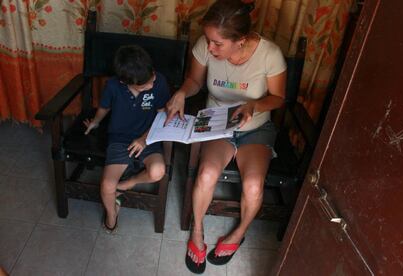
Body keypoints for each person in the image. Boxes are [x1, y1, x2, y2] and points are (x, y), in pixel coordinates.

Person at [165, 0, 287, 273]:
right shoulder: (205, 45)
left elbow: (278, 98)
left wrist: (254, 105)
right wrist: (183, 92)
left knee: (254, 185)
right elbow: (195, 81)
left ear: (240, 41)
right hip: (218, 123)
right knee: (206, 173)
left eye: (217, 44)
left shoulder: (270, 54)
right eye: (208, 40)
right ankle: (197, 233)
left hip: (256, 128)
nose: (210, 48)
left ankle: (238, 233)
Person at [84, 45, 170, 233]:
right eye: (144, 84)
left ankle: (125, 185)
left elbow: (163, 115)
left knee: (158, 171)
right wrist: (96, 122)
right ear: (125, 82)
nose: (151, 83)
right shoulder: (114, 86)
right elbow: (105, 107)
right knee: (107, 185)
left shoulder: (159, 81)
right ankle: (112, 214)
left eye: (152, 76)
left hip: (149, 137)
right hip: (120, 139)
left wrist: (144, 139)